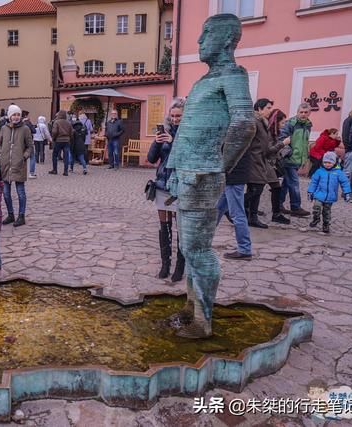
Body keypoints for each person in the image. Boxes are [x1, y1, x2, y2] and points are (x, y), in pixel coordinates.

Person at [165, 14, 255, 338]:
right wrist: (173, 169)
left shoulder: (233, 75)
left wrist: (220, 166)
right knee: (189, 249)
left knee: (198, 249)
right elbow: (186, 132)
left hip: (204, 175)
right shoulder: (203, 81)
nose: (199, 41)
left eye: (206, 34)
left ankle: (203, 322)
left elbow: (245, 123)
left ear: (227, 39)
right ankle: (191, 307)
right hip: (188, 174)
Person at [147, 101, 185, 282]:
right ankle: (165, 264)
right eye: (173, 116)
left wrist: (174, 141)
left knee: (181, 228)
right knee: (164, 226)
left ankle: (180, 266)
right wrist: (156, 142)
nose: (175, 119)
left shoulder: (188, 133)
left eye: (179, 116)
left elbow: (187, 157)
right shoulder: (165, 132)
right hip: (162, 184)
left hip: (181, 186)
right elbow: (151, 158)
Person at [245, 98, 281, 229]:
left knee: (256, 190)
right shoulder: (254, 122)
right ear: (259, 109)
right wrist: (282, 144)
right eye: (268, 108)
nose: (270, 111)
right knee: (255, 189)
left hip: (260, 160)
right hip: (254, 161)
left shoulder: (262, 122)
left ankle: (252, 217)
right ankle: (231, 206)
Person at [0, 104, 33, 227]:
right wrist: (1, 157)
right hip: (5, 165)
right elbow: (0, 144)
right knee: (6, 193)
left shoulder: (25, 129)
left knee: (20, 192)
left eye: (18, 114)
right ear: (9, 116)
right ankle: (11, 214)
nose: (16, 117)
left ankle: (21, 216)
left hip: (19, 165)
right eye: (14, 114)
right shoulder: (4, 128)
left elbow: (30, 146)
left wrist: (24, 157)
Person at [278, 102, 312, 217]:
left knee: (287, 183)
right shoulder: (290, 123)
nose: (303, 114)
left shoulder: (308, 125)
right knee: (294, 183)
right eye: (301, 112)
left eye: (305, 112)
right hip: (289, 159)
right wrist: (289, 152)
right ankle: (295, 207)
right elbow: (282, 138)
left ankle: (278, 204)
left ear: (309, 113)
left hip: (298, 159)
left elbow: (305, 142)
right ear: (297, 112)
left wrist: (304, 157)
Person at [307, 152, 352, 233]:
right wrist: (310, 192)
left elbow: (345, 183)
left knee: (326, 212)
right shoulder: (319, 171)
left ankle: (326, 225)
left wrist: (347, 192)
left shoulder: (338, 172)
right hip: (319, 194)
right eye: (325, 162)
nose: (327, 164)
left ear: (334, 162)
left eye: (330, 162)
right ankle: (316, 219)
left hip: (330, 196)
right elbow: (313, 182)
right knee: (316, 207)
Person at [266, 109, 291, 224]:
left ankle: (276, 214)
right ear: (276, 122)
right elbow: (268, 150)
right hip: (265, 164)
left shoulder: (275, 133)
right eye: (282, 122)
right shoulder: (269, 133)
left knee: (275, 187)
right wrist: (283, 144)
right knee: (256, 189)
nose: (284, 125)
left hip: (270, 164)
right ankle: (245, 208)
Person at [49, 110, 73, 176]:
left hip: (58, 140)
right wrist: (70, 139)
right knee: (66, 156)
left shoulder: (57, 122)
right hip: (66, 141)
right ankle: (65, 171)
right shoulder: (68, 123)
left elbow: (54, 132)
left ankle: (55, 170)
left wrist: (54, 138)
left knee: (55, 155)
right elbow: (71, 133)